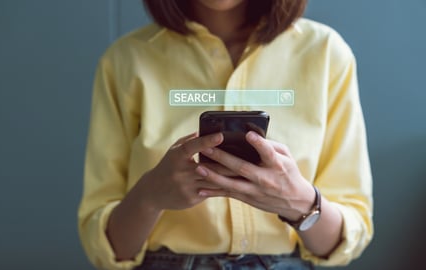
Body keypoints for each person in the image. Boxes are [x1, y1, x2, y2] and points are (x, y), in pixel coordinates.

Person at [78, 0, 373, 269]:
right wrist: (149, 197)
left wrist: (300, 203)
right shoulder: (125, 61)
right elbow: (108, 249)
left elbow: (347, 236)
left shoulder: (326, 54)